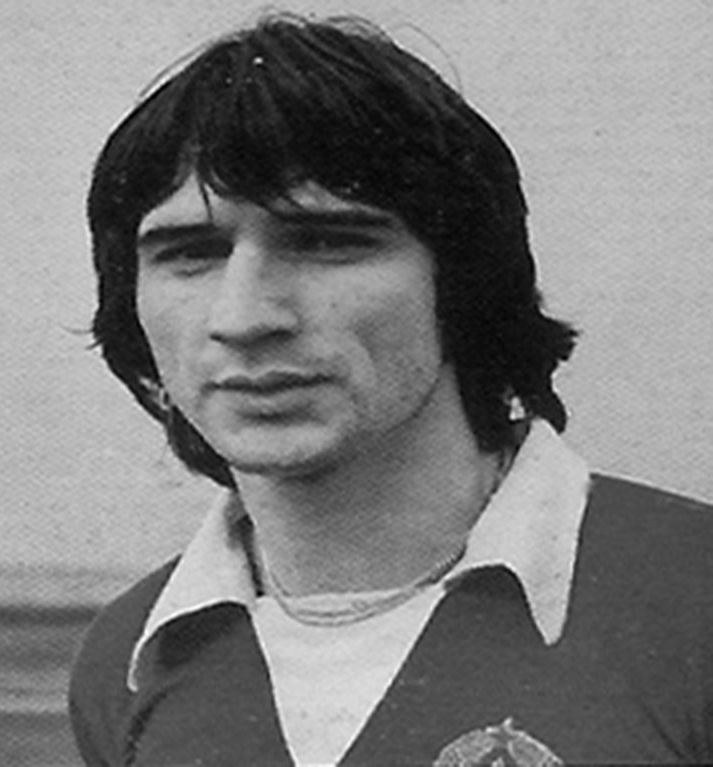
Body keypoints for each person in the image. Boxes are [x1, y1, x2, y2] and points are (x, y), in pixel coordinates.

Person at [68, 13, 713, 767]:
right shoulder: (129, 658)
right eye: (190, 253)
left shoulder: (692, 598)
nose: (244, 317)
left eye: (326, 242)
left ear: (463, 280)